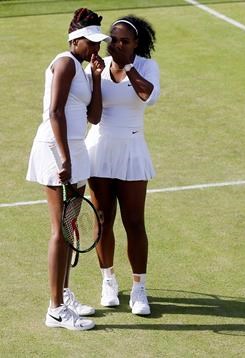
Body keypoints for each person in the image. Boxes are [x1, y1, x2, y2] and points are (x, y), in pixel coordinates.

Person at [26, 8, 109, 331]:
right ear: (75, 40)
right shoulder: (64, 63)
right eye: (91, 42)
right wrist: (64, 159)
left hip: (75, 148)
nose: (96, 48)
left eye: (98, 42)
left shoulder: (84, 69)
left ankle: (63, 293)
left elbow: (95, 116)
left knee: (70, 226)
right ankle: (55, 309)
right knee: (59, 231)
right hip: (55, 150)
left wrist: (98, 78)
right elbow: (55, 111)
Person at [85, 15, 160, 316]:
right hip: (100, 149)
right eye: (113, 40)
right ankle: (108, 281)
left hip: (132, 150)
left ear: (136, 43)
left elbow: (147, 96)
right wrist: (94, 77)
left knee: (134, 222)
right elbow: (93, 112)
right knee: (103, 219)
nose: (116, 45)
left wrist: (127, 68)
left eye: (124, 41)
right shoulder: (98, 67)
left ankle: (139, 288)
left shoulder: (145, 66)